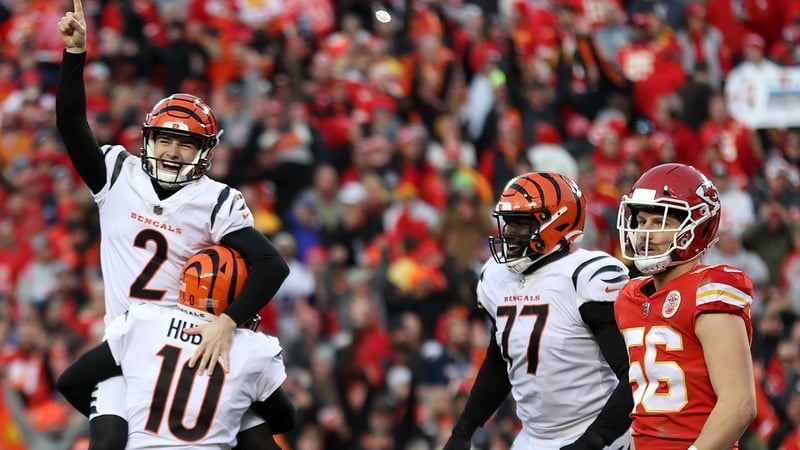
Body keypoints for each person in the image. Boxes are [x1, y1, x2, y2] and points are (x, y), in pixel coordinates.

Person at [55, 1, 290, 448]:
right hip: (128, 347)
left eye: (185, 144)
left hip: (194, 341)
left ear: (203, 151)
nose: (172, 152)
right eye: (164, 139)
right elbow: (70, 123)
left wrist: (228, 321)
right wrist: (75, 56)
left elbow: (271, 264)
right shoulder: (118, 174)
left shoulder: (215, 200)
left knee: (262, 440)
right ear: (148, 140)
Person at [444, 171, 633, 450]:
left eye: (520, 224)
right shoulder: (497, 277)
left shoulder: (585, 276)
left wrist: (594, 440)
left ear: (558, 222)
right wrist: (463, 429)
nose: (508, 233)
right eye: (507, 223)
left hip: (598, 430)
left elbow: (635, 375)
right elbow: (501, 363)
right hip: (533, 437)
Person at [56, 245, 295, 449]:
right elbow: (285, 420)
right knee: (246, 412)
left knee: (115, 381)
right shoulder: (253, 349)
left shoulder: (143, 322)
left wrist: (125, 418)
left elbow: (70, 381)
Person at [614, 163, 757, 449]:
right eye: (641, 222)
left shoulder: (708, 291)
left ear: (696, 227)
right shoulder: (629, 298)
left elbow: (739, 404)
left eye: (660, 222)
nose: (645, 233)